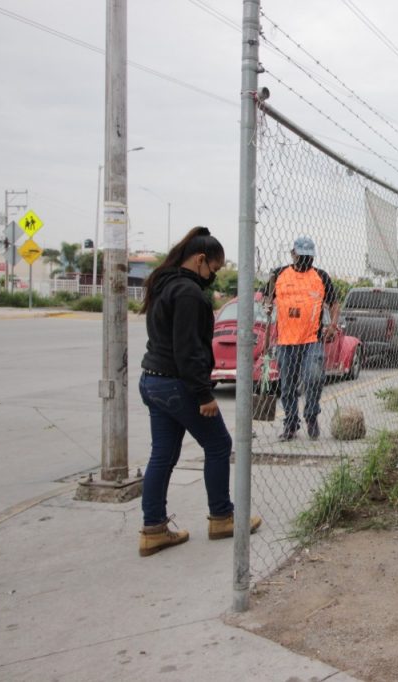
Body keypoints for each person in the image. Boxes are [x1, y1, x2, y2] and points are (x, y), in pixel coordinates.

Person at [138, 226, 261, 557]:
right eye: (214, 269)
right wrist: (204, 395)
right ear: (200, 259)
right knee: (219, 444)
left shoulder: (163, 284)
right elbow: (188, 350)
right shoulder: (189, 293)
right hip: (177, 383)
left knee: (163, 454)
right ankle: (222, 517)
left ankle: (153, 530)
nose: (213, 276)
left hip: (153, 380)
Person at [265, 236, 340, 441]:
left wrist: (333, 325)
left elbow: (334, 304)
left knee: (314, 377)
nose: (306, 260)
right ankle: (290, 423)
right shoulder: (278, 274)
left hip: (311, 339)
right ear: (293, 254)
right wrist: (267, 305)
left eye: (309, 257)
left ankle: (311, 415)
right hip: (285, 341)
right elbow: (266, 298)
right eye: (302, 256)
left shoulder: (321, 276)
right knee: (287, 386)